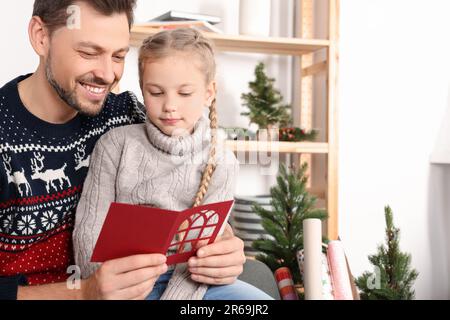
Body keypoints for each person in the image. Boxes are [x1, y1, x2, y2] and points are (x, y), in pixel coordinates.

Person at [0, 1, 247, 300]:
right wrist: (83, 292)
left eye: (118, 56)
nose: (107, 75)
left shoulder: (127, 114)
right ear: (41, 36)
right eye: (88, 53)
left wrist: (226, 246)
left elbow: (186, 178)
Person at [73, 28, 272, 300]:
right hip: (125, 283)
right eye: (156, 92)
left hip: (191, 285)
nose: (170, 106)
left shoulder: (222, 161)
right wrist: (102, 286)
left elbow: (201, 254)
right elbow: (89, 232)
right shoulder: (115, 145)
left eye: (185, 93)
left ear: (209, 92)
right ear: (142, 90)